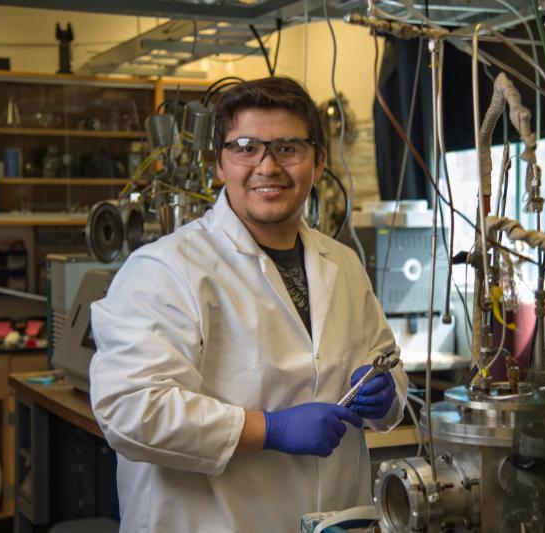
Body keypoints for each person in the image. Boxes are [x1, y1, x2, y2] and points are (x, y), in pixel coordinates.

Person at [89, 77, 408, 533]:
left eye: (288, 148)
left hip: (335, 519)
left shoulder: (343, 263)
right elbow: (130, 410)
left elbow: (386, 361)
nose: (267, 166)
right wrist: (269, 429)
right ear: (220, 164)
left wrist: (387, 392)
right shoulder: (164, 269)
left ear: (318, 162)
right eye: (245, 148)